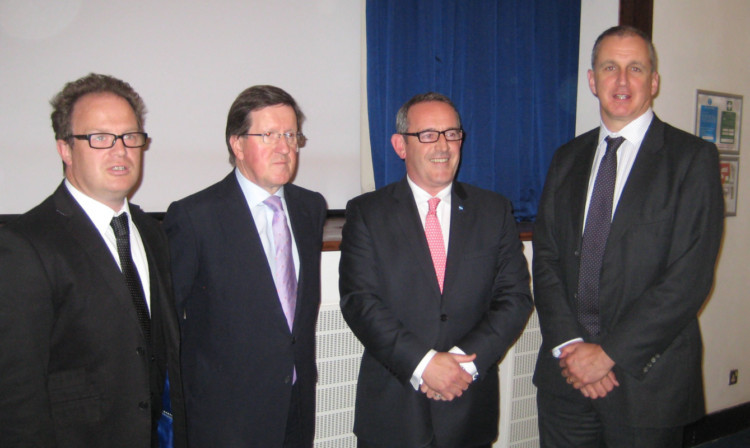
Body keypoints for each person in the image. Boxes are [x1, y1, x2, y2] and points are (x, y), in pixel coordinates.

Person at [532, 26, 724, 447]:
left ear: (653, 81)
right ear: (592, 80)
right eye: (609, 67)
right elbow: (545, 260)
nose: (622, 81)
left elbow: (687, 279)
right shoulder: (566, 159)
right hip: (565, 381)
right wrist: (571, 348)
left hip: (648, 384)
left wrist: (607, 355)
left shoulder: (692, 160)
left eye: (635, 68)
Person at [0, 73, 186, 447]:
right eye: (100, 138)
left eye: (130, 137)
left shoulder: (151, 232)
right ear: (66, 149)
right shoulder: (26, 245)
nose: (121, 151)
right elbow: (16, 398)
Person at [339, 92, 533, 448]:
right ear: (401, 145)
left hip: (469, 402)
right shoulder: (367, 213)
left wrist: (461, 365)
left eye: (452, 133)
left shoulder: (493, 211)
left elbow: (515, 298)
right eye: (428, 134)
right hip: (393, 409)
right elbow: (360, 302)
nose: (443, 146)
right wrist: (424, 364)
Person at [164, 85, 326, 447]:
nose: (284, 147)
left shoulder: (310, 208)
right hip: (227, 417)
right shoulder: (195, 217)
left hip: (296, 404)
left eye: (290, 134)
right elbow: (168, 324)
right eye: (268, 135)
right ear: (237, 145)